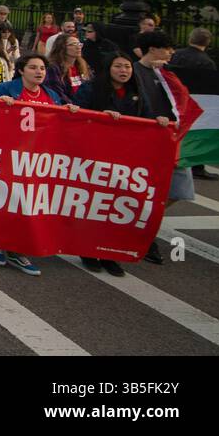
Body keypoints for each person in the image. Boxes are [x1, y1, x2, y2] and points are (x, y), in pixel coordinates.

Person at [0, 54, 81, 276]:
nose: (39, 72)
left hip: (39, 159)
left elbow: (59, 124)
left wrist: (71, 113)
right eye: (33, 68)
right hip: (10, 155)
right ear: (21, 70)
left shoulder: (51, 95)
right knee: (7, 200)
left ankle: (17, 249)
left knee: (30, 204)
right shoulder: (6, 89)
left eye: (42, 68)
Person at [72, 53, 157, 275]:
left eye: (127, 66)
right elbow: (75, 113)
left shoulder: (137, 92)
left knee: (116, 205)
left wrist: (161, 122)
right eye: (118, 66)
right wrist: (100, 116)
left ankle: (110, 253)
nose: (123, 70)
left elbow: (148, 117)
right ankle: (88, 249)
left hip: (125, 159)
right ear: (108, 68)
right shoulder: (91, 89)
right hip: (95, 155)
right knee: (94, 204)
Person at [130, 30, 196, 264]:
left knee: (179, 189)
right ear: (153, 49)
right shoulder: (133, 72)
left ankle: (142, 220)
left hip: (171, 141)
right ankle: (142, 232)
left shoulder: (167, 74)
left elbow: (184, 101)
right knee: (143, 190)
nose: (171, 52)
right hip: (146, 142)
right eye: (167, 48)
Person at [169, 28, 218, 181]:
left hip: (173, 99)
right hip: (193, 102)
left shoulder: (175, 55)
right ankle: (197, 166)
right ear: (208, 42)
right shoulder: (207, 62)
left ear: (190, 38)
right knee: (196, 134)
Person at [45, 31, 90, 102]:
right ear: (62, 47)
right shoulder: (53, 68)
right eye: (73, 44)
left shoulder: (83, 65)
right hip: (69, 108)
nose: (78, 47)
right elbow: (57, 93)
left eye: (79, 44)